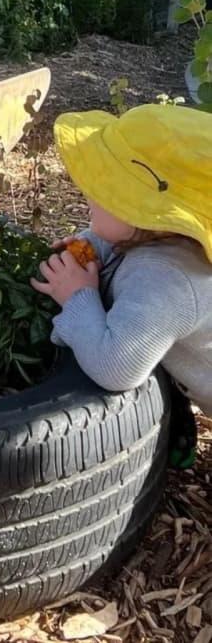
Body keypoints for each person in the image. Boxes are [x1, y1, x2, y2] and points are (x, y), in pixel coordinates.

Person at [31, 102, 211, 468]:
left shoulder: (166, 280)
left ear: (143, 211)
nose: (88, 195)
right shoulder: (154, 237)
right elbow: (115, 240)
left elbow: (117, 367)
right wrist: (85, 250)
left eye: (103, 191)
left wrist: (78, 297)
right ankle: (176, 435)